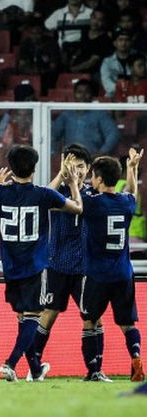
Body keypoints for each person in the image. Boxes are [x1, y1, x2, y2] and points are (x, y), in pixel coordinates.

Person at [0, 145, 83, 381]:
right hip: (35, 265)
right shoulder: (43, 194)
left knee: (24, 319)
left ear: (10, 168)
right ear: (35, 167)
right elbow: (77, 208)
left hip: (11, 266)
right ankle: (9, 363)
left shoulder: (0, 192)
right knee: (32, 317)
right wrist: (71, 182)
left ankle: (35, 369)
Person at [32, 145, 112, 381]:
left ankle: (94, 370)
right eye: (71, 165)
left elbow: (89, 207)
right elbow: (40, 199)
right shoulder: (56, 191)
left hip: (85, 268)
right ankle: (34, 366)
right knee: (48, 314)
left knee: (93, 317)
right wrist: (60, 174)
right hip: (56, 264)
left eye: (81, 166)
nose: (76, 170)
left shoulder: (91, 193)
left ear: (88, 169)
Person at [80, 150, 144, 382]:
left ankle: (94, 370)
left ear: (97, 178)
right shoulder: (126, 203)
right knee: (127, 323)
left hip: (97, 274)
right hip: (123, 273)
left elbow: (75, 202)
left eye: (92, 176)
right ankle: (136, 356)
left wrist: (70, 179)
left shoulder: (92, 204)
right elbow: (132, 191)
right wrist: (133, 168)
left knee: (90, 321)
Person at [51, 80, 120, 155]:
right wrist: (53, 153)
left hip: (92, 159)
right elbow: (53, 135)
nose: (83, 96)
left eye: (87, 92)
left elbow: (113, 134)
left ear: (92, 95)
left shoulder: (100, 114)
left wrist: (101, 153)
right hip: (70, 160)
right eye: (79, 92)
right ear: (74, 94)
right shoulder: (66, 114)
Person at [44, 0, 92, 64]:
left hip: (84, 52)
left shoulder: (90, 13)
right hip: (63, 53)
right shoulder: (59, 13)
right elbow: (47, 27)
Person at [17, 18, 60, 95]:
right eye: (32, 34)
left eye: (37, 34)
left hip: (46, 75)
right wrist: (31, 71)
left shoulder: (51, 44)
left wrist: (41, 71)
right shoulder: (25, 44)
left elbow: (53, 66)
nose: (35, 36)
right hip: (30, 73)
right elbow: (21, 64)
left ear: (43, 33)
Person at [67, 9, 112, 75]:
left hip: (93, 71)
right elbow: (81, 48)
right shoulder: (85, 30)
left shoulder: (105, 39)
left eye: (100, 20)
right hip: (78, 65)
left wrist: (73, 69)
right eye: (94, 18)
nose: (95, 22)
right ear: (90, 17)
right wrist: (73, 59)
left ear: (104, 22)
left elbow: (92, 61)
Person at [101, 29, 135, 99]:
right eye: (120, 40)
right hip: (113, 96)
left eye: (127, 40)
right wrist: (125, 90)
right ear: (114, 43)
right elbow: (107, 85)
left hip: (136, 95)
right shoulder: (107, 62)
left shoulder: (141, 59)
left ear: (131, 42)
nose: (123, 43)